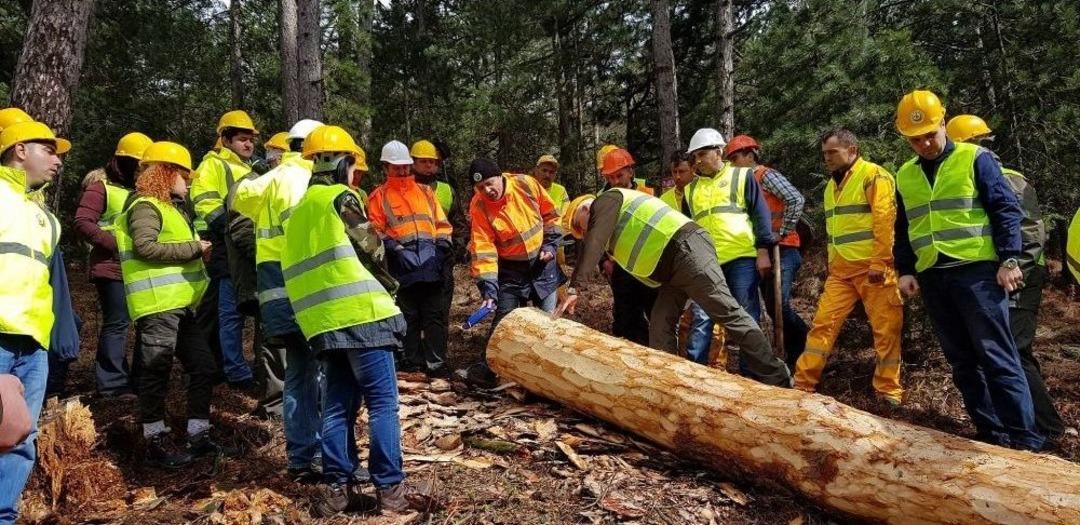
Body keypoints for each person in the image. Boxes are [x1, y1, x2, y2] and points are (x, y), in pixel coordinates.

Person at [280, 126, 436, 515]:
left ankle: (337, 490)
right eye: (353, 165)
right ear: (342, 163)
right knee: (382, 403)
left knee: (336, 405)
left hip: (323, 322)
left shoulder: (298, 212)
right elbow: (370, 246)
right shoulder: (341, 197)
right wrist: (391, 283)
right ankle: (390, 491)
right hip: (362, 315)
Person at [893, 90, 1042, 451]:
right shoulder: (905, 175)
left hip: (977, 274)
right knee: (961, 362)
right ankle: (991, 436)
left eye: (930, 134)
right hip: (933, 275)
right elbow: (904, 226)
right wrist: (905, 269)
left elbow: (1006, 210)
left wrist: (1009, 259)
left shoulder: (975, 158)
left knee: (997, 356)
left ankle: (1025, 441)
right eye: (915, 139)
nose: (925, 144)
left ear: (943, 122)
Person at [555, 191, 790, 386]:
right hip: (671, 270)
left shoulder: (607, 200)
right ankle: (669, 385)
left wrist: (575, 288)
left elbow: (594, 242)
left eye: (578, 226)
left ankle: (777, 377)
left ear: (585, 209)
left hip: (686, 248)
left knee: (726, 312)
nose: (583, 233)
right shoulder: (611, 224)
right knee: (660, 323)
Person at [115, 141, 234, 467]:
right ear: (167, 173)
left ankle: (198, 435)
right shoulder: (145, 206)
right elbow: (145, 247)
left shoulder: (170, 208)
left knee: (204, 366)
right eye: (184, 175)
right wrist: (195, 248)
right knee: (156, 371)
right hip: (157, 306)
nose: (189, 182)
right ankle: (154, 441)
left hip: (179, 306)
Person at [946, 114, 1065, 441]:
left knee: (1014, 351)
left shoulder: (1009, 179)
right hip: (996, 277)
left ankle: (1049, 429)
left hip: (1020, 276)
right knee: (998, 352)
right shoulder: (971, 179)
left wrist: (1012, 271)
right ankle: (1015, 428)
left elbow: (1031, 232)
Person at [232, 119, 324, 478]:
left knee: (298, 374)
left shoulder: (269, 181)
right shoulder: (308, 181)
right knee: (323, 375)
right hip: (307, 291)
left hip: (274, 292)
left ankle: (300, 458)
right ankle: (325, 458)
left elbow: (240, 200)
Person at [792, 129, 903, 406]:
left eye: (833, 152)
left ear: (852, 150)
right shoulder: (831, 187)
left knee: (886, 330)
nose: (827, 158)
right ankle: (803, 384)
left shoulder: (873, 176)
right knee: (822, 325)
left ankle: (888, 391)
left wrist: (880, 261)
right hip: (841, 272)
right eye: (824, 154)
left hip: (872, 269)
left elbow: (885, 221)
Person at [0, 120, 67, 524]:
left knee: (21, 436)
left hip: (32, 341)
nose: (58, 161)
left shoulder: (44, 216)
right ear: (20, 150)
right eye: (50, 150)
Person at [463, 158, 563, 387]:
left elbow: (552, 216)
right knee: (504, 321)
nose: (487, 190)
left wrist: (550, 245)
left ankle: (546, 377)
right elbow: (483, 248)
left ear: (500, 176)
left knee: (547, 322)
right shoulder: (479, 206)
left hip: (543, 263)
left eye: (490, 183)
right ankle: (489, 371)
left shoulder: (526, 184)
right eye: (480, 187)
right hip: (510, 270)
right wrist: (489, 287)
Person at [683, 128, 776, 368]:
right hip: (706, 263)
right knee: (702, 317)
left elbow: (760, 214)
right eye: (694, 156)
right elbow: (687, 231)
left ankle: (751, 373)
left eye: (702, 154)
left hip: (741, 258)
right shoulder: (690, 190)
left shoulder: (742, 177)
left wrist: (763, 251)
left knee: (746, 317)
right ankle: (694, 372)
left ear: (718, 152)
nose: (698, 160)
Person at [73, 132, 153, 398]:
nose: (143, 170)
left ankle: (142, 381)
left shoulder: (142, 191)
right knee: (117, 323)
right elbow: (83, 222)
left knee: (146, 324)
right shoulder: (101, 188)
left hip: (141, 269)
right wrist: (116, 245)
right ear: (124, 162)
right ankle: (113, 385)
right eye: (139, 164)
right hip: (112, 267)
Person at [368, 141, 453, 375]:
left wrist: (440, 250)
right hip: (401, 265)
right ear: (385, 167)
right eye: (397, 167)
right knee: (409, 316)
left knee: (434, 316)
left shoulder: (425, 192)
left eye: (405, 166)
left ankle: (436, 364)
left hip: (430, 260)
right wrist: (395, 249)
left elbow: (442, 225)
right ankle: (412, 363)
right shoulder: (379, 196)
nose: (402, 171)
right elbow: (375, 231)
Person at [725, 134, 809, 366]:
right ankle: (792, 353)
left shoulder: (765, 175)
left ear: (750, 156)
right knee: (772, 306)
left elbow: (795, 199)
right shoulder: (740, 183)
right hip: (762, 249)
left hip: (784, 248)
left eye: (735, 158)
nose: (732, 164)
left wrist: (782, 231)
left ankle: (804, 344)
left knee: (779, 304)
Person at [190, 110, 259, 388]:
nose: (248, 144)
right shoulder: (214, 164)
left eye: (250, 139)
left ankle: (224, 366)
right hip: (224, 244)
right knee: (226, 312)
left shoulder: (250, 168)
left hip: (245, 243)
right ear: (226, 139)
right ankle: (224, 369)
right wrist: (229, 229)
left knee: (237, 309)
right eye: (242, 139)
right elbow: (204, 200)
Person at [595, 147, 658, 345]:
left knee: (656, 314)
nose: (615, 181)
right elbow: (596, 234)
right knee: (625, 317)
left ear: (630, 171)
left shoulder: (649, 192)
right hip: (621, 266)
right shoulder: (603, 198)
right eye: (610, 177)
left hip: (648, 264)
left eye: (619, 175)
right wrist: (604, 261)